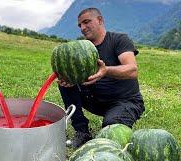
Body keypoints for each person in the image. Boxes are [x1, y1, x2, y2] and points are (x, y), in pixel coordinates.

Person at [58, 7, 145, 148]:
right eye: (80, 25)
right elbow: (77, 74)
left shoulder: (119, 40)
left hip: (124, 102)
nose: (83, 28)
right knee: (65, 83)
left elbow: (132, 70)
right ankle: (82, 131)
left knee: (110, 131)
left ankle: (115, 119)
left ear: (100, 20)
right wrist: (70, 79)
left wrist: (105, 71)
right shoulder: (83, 48)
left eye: (86, 22)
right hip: (95, 101)